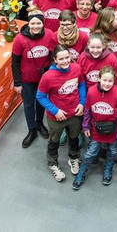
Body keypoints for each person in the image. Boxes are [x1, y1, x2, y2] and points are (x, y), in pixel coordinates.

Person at [36, 44, 86, 183]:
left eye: (67, 57)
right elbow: (40, 96)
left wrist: (82, 103)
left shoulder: (76, 69)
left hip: (75, 113)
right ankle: (53, 163)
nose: (65, 61)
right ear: (55, 60)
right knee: (54, 141)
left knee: (74, 138)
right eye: (61, 59)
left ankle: (74, 158)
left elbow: (81, 85)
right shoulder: (48, 77)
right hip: (57, 117)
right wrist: (55, 111)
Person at [73, 65, 117, 190]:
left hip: (113, 130)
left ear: (114, 81)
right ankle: (82, 172)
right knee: (90, 153)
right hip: (96, 129)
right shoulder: (91, 91)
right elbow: (87, 111)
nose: (107, 84)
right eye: (105, 80)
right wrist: (85, 127)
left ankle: (108, 169)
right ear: (99, 79)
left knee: (113, 151)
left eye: (110, 81)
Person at [11, 9, 57, 148]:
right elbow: (15, 62)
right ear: (28, 23)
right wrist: (18, 83)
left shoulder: (49, 35)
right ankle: (32, 130)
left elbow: (52, 54)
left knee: (41, 102)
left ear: (43, 24)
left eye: (39, 23)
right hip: (27, 79)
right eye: (33, 23)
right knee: (29, 104)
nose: (36, 26)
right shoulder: (20, 39)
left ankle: (39, 124)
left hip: (43, 79)